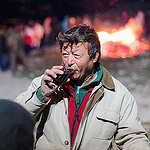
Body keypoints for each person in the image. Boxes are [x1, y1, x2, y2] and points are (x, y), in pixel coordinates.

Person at [15, 25, 150, 150]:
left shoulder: (118, 94)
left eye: (76, 55)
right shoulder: (45, 83)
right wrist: (41, 94)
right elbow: (15, 120)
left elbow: (133, 138)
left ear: (94, 56)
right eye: (65, 54)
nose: (69, 62)